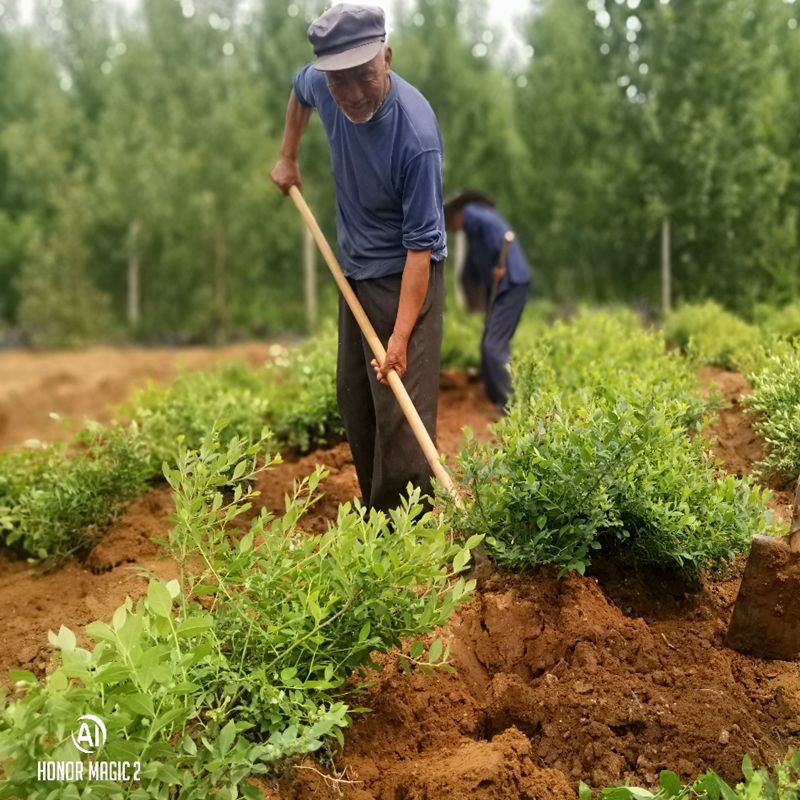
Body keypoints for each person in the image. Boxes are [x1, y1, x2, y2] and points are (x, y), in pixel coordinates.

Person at [270, 3, 447, 513]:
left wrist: (399, 337)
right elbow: (300, 92)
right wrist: (288, 155)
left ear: (386, 58)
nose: (349, 94)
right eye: (337, 82)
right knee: (355, 397)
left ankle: (410, 540)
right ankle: (378, 521)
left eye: (362, 77)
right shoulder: (323, 88)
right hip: (355, 274)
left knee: (401, 415)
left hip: (405, 277)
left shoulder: (415, 138)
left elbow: (419, 249)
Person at [444, 191, 532, 412]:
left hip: (512, 284)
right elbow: (470, 270)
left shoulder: (475, 215)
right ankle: (493, 393)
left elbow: (504, 235)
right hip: (505, 287)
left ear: (456, 214)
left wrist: (502, 265)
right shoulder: (473, 232)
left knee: (493, 346)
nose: (448, 228)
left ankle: (509, 405)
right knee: (489, 341)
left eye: (448, 221)